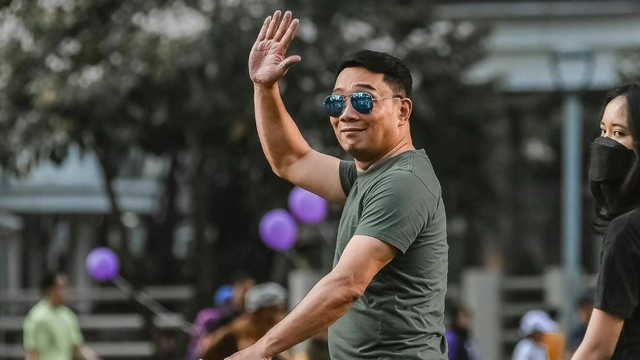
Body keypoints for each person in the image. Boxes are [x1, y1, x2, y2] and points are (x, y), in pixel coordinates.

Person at [231, 9, 448, 359]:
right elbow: (291, 160)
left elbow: (346, 285)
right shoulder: (367, 175)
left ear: (403, 111)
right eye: (337, 101)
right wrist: (264, 86)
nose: (347, 113)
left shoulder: (402, 182)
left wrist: (261, 349)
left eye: (363, 100)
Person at [572, 83, 640, 359]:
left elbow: (597, 349)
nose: (606, 144)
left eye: (619, 133)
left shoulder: (627, 232)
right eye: (603, 131)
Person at [201, 282, 291, 360]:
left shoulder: (262, 327)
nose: (278, 316)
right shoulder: (246, 327)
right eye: (274, 311)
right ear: (259, 312)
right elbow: (251, 355)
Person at [23, 272, 101, 360]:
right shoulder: (37, 317)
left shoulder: (68, 315)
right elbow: (32, 354)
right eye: (62, 288)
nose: (67, 292)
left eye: (68, 287)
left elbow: (77, 347)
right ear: (50, 290)